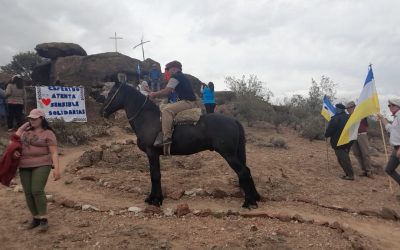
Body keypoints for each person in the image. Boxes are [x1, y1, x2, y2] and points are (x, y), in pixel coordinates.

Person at [14, 108, 61, 232]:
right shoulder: (25, 132)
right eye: (30, 118)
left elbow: (54, 152)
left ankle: (44, 220)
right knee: (28, 192)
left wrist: (56, 168)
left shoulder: (48, 133)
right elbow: (15, 142)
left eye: (34, 118)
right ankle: (35, 219)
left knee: (37, 190)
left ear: (42, 119)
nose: (32, 120)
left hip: (42, 163)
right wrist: (16, 153)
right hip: (24, 164)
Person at [149, 60, 197, 146]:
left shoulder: (175, 76)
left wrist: (154, 94)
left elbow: (167, 91)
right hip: (187, 101)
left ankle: (167, 137)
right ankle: (163, 129)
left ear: (174, 68)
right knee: (162, 106)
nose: (168, 71)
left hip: (187, 102)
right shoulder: (182, 76)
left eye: (169, 69)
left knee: (167, 110)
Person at [325, 103, 355, 180]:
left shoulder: (335, 118)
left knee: (343, 159)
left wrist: (326, 134)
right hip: (348, 141)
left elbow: (330, 130)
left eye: (336, 109)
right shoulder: (349, 117)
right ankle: (348, 174)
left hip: (338, 142)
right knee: (344, 158)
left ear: (339, 110)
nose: (335, 110)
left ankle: (350, 175)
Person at [377, 98, 400, 190]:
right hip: (396, 149)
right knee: (389, 169)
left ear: (398, 106)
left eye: (392, 105)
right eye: (389, 105)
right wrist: (382, 118)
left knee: (389, 169)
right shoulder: (396, 118)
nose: (390, 107)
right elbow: (390, 128)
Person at [346, 101, 373, 177]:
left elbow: (368, 111)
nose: (347, 110)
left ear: (353, 107)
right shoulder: (348, 116)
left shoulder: (361, 113)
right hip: (353, 136)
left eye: (349, 108)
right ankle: (363, 170)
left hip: (362, 135)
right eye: (347, 108)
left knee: (365, 153)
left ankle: (369, 171)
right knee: (356, 153)